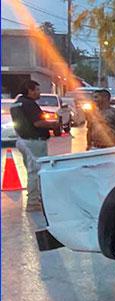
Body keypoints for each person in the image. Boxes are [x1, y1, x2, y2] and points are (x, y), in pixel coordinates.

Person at [10, 80, 59, 212]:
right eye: (37, 90)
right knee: (36, 171)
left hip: (22, 140)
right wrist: (53, 124)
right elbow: (37, 123)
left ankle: (35, 198)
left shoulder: (17, 104)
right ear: (29, 90)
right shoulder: (29, 104)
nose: (39, 93)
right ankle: (33, 201)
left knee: (31, 170)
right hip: (33, 141)